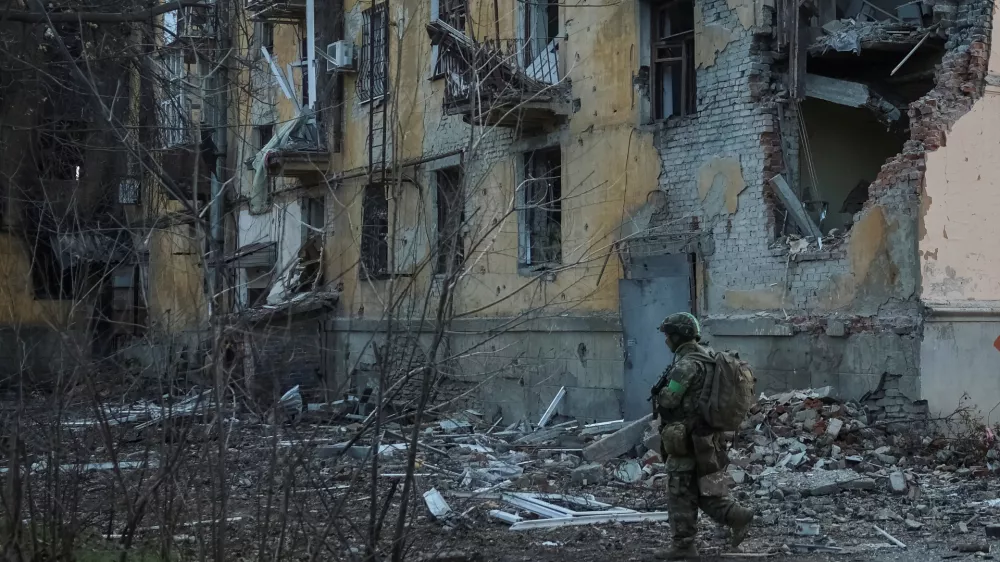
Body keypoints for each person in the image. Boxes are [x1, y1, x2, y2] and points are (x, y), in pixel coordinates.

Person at [651, 312, 754, 560]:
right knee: (703, 489)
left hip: (686, 438)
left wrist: (660, 394)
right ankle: (738, 516)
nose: (666, 340)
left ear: (679, 336)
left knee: (680, 491)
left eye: (668, 335)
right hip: (708, 438)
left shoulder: (686, 364)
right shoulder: (709, 356)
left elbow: (669, 398)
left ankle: (683, 547)